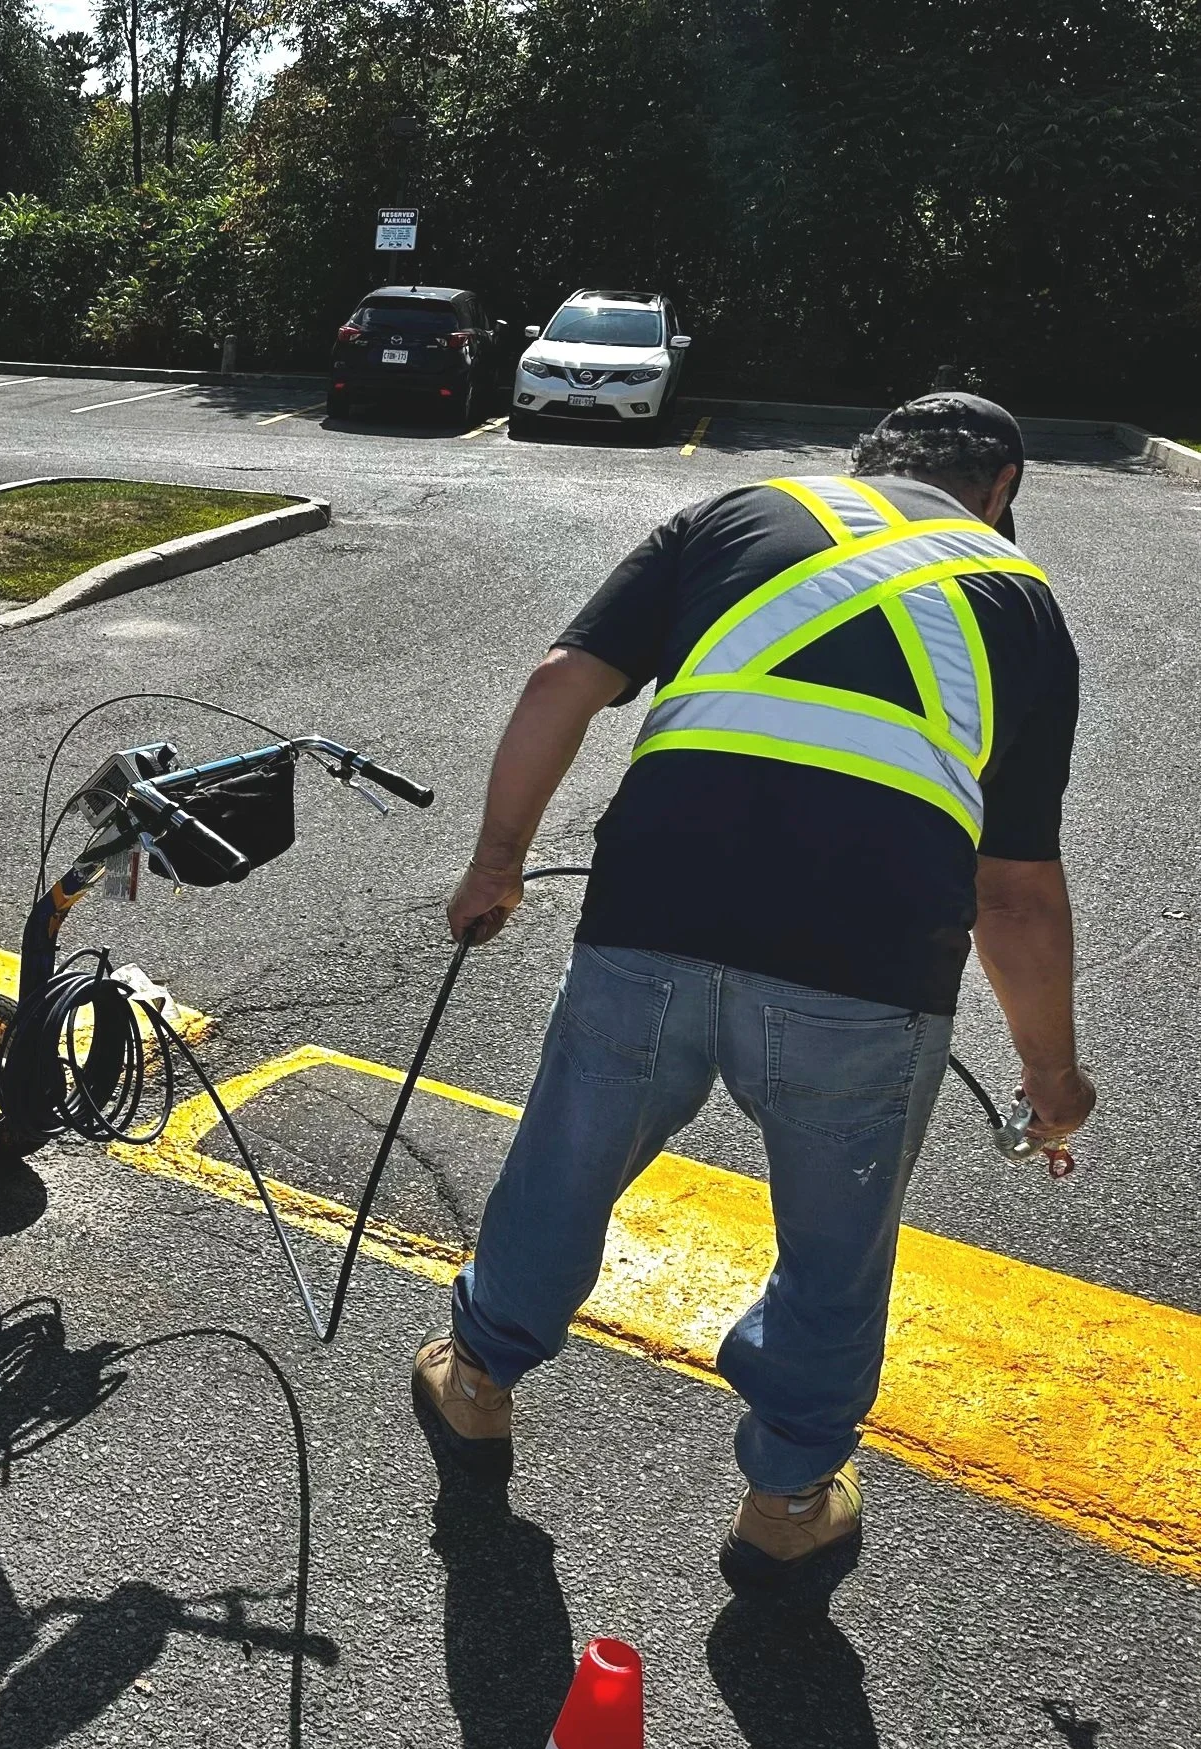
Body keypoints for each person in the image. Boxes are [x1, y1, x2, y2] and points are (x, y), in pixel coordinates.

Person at [417, 392, 1095, 1591]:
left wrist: (496, 863)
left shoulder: (738, 512)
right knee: (835, 1247)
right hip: (868, 966)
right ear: (1000, 486)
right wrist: (1050, 1079)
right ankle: (786, 1500)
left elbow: (561, 678)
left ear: (867, 464)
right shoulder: (1017, 600)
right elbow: (1014, 892)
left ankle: (476, 1380)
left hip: (652, 915)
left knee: (567, 1158)